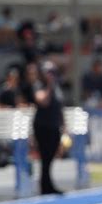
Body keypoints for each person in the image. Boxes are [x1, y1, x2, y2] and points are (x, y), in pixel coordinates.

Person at [32, 61, 65, 195]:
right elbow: (43, 101)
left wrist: (64, 125)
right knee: (45, 157)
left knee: (51, 157)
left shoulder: (57, 87)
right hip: (43, 126)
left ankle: (48, 184)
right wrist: (50, 86)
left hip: (54, 125)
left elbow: (60, 107)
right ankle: (45, 186)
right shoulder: (39, 86)